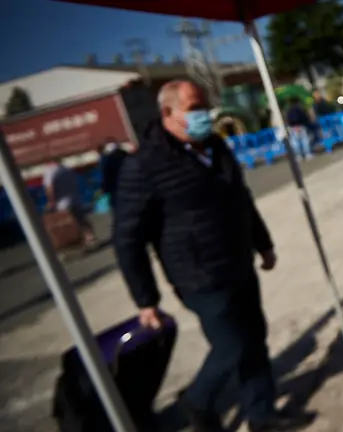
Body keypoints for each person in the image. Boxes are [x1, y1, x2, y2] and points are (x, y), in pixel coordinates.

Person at [113, 80, 313, 432]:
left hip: (238, 263)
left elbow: (241, 198)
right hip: (199, 276)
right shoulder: (144, 165)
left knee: (254, 339)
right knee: (232, 346)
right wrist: (146, 300)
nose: (204, 115)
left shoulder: (216, 146)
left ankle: (261, 414)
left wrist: (263, 244)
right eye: (194, 109)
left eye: (205, 106)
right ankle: (197, 400)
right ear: (168, 113)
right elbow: (127, 238)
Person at [43, 158, 97, 247]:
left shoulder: (49, 171)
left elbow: (50, 188)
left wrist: (51, 202)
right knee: (81, 219)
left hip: (62, 203)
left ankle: (75, 243)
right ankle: (90, 238)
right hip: (75, 199)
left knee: (68, 225)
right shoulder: (67, 169)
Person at [98, 138, 128, 211]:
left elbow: (106, 177)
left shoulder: (107, 160)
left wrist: (104, 189)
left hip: (117, 190)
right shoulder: (124, 155)